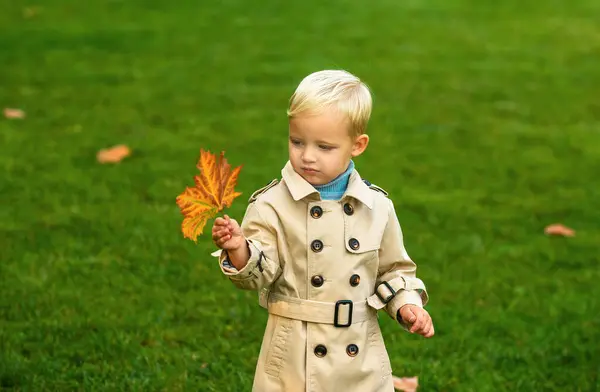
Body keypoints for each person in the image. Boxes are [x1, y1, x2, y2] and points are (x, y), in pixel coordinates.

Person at [211, 69, 434, 392]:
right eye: (296, 141)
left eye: (324, 147)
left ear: (357, 145)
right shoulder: (271, 205)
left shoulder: (376, 207)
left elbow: (393, 271)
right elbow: (259, 275)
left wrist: (407, 305)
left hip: (359, 356)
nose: (307, 156)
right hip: (295, 355)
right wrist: (238, 249)